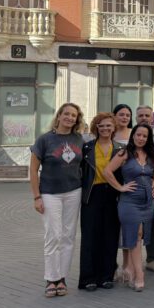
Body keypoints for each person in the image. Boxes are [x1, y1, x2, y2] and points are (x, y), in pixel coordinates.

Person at [29, 102, 85, 298]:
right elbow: (33, 170)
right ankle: (50, 279)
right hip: (50, 193)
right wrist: (37, 196)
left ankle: (62, 278)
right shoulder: (45, 140)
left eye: (74, 116)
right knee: (53, 235)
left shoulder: (79, 139)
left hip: (73, 192)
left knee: (69, 236)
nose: (70, 118)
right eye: (67, 114)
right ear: (59, 116)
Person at [104, 123, 154, 292]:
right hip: (129, 202)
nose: (141, 138)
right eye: (138, 135)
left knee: (141, 235)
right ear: (133, 136)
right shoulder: (124, 153)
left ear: (148, 138)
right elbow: (107, 171)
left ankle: (131, 270)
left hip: (148, 203)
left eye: (144, 136)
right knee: (135, 235)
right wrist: (120, 187)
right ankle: (139, 274)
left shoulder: (152, 156)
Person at [79, 113, 124, 291]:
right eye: (101, 126)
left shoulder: (120, 149)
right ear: (95, 128)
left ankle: (107, 276)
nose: (105, 129)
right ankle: (88, 278)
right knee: (90, 236)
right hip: (92, 194)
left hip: (112, 194)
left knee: (110, 236)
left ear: (114, 128)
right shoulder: (87, 148)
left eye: (108, 126)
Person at [135, 105, 154, 273]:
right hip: (134, 190)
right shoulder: (133, 137)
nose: (144, 118)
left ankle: (152, 258)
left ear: (152, 118)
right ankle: (132, 261)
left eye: (147, 115)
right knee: (135, 227)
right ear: (137, 118)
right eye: (141, 115)